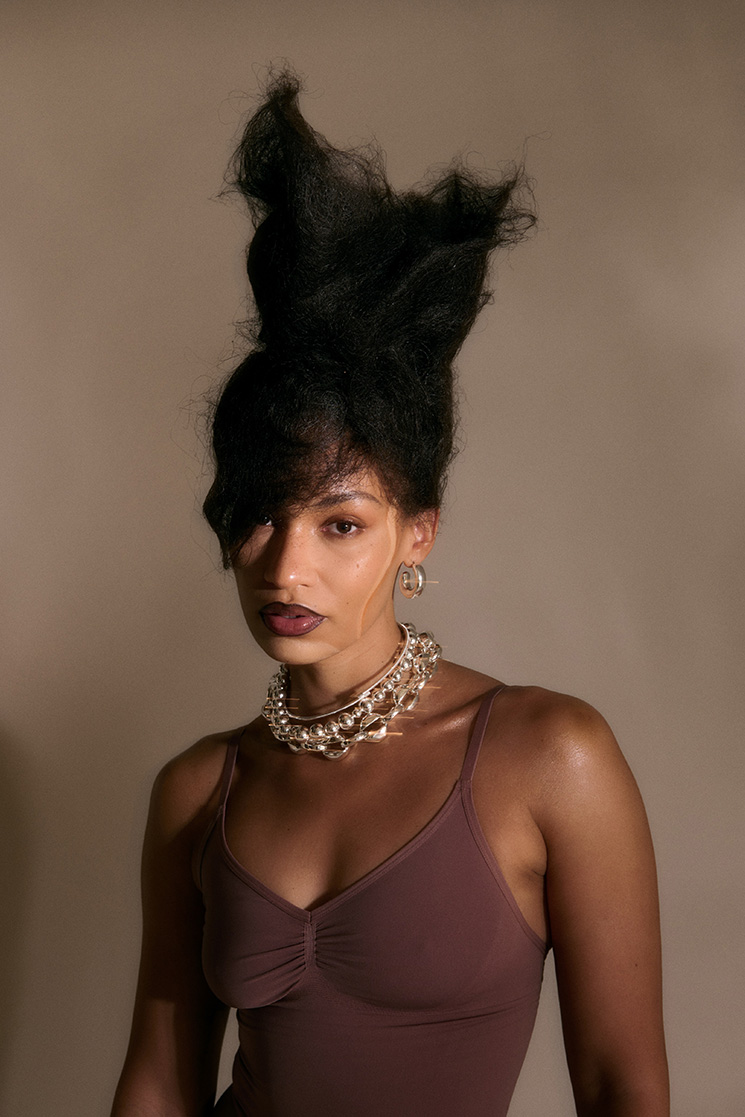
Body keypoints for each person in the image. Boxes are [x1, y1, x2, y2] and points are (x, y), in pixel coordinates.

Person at [111, 73, 669, 1117]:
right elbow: (157, 1084)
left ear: (418, 533)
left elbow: (621, 1086)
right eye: (259, 514)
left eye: (340, 523)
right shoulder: (198, 790)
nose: (286, 567)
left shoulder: (549, 756)